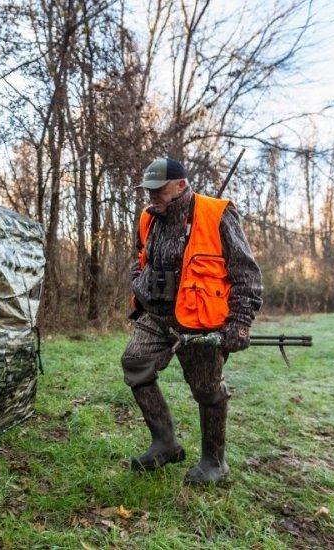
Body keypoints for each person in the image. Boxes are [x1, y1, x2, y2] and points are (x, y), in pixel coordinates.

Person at [122, 156, 263, 484]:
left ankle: (215, 463)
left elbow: (246, 272)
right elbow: (139, 256)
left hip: (200, 320)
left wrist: (240, 322)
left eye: (158, 189)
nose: (151, 196)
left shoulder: (217, 213)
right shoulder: (147, 218)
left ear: (181, 185)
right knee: (135, 363)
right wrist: (139, 281)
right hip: (156, 316)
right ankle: (165, 443)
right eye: (147, 190)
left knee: (207, 389)